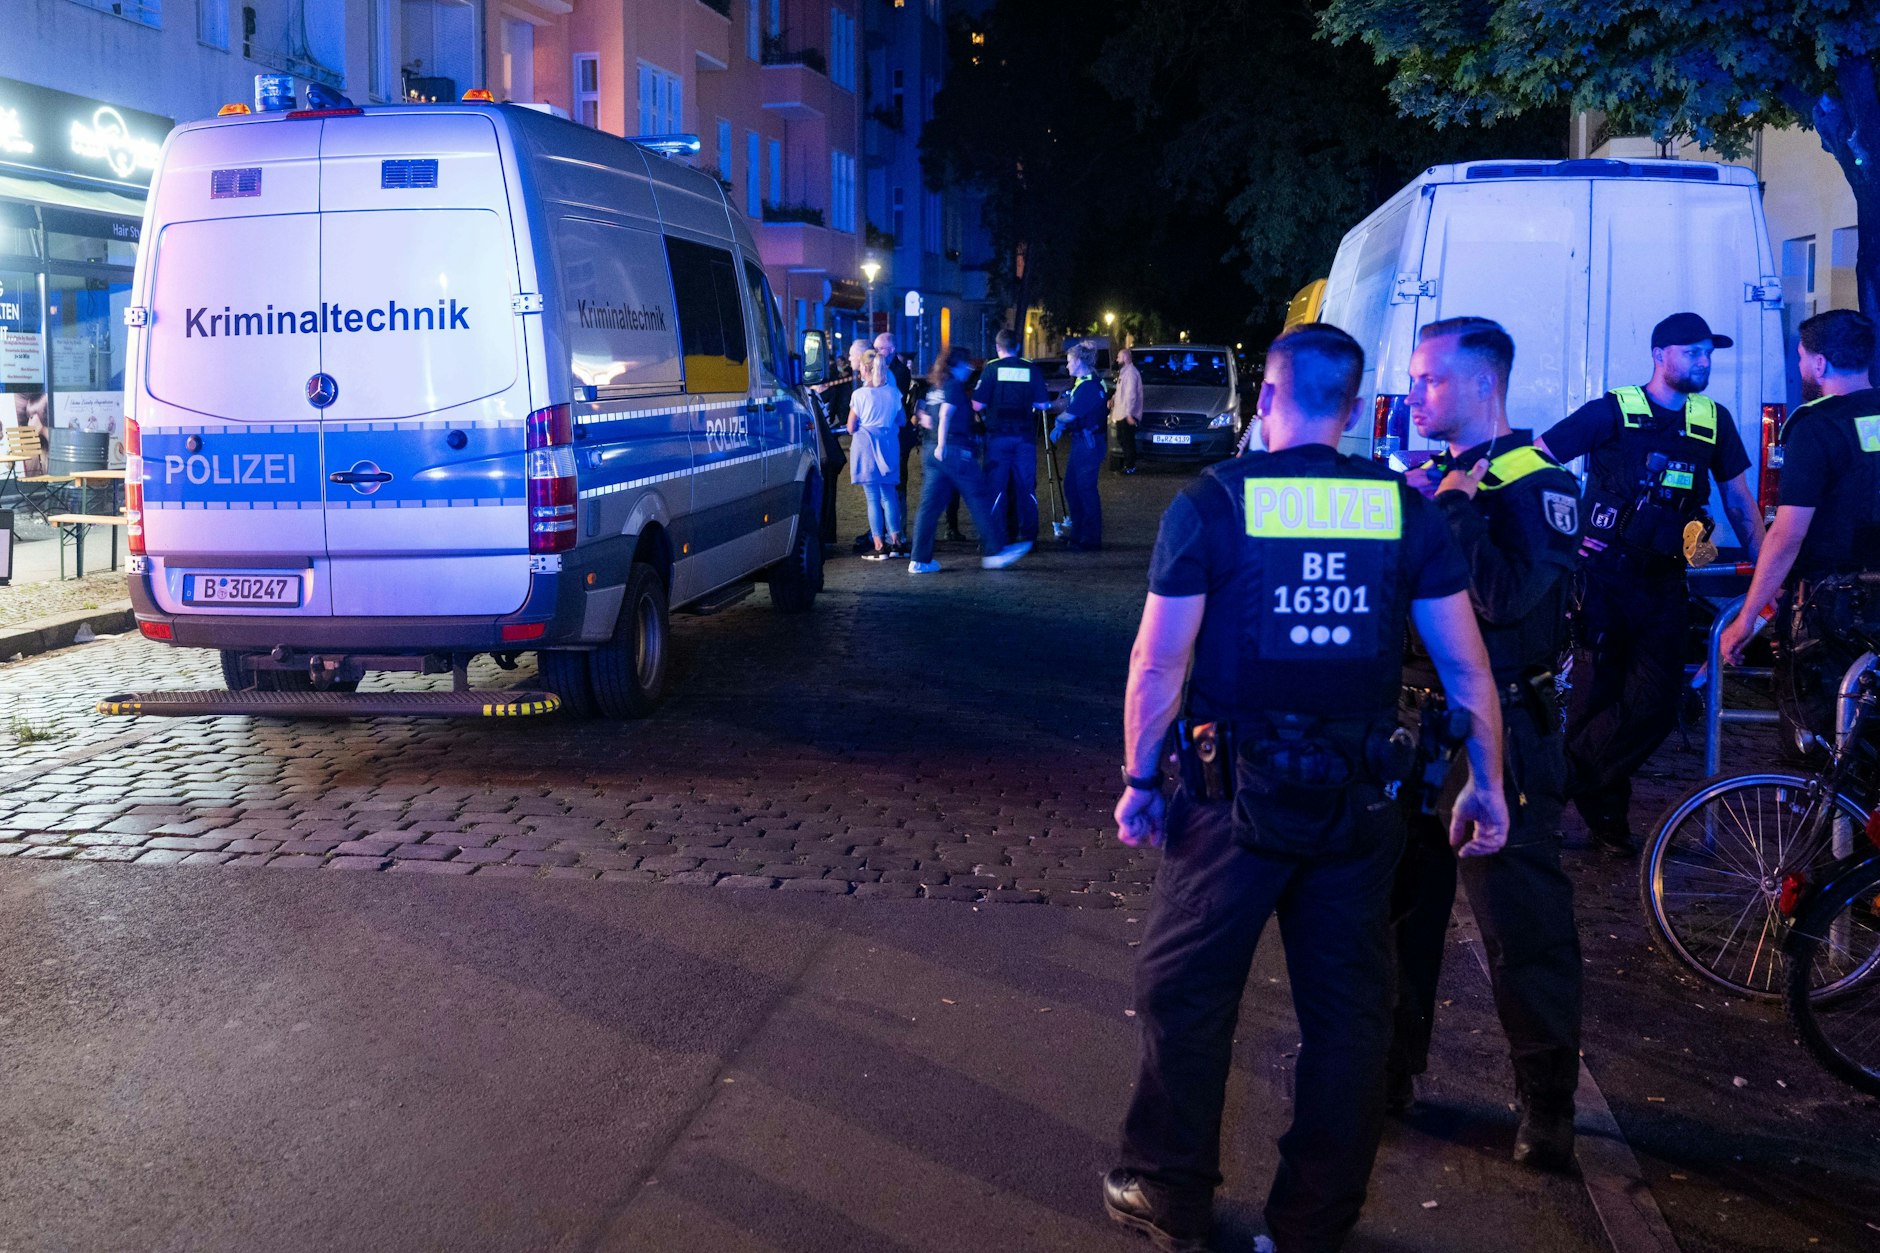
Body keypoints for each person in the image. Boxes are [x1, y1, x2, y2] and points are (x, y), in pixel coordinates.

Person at [1105, 323, 1508, 1253]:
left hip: (1228, 806)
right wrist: (1487, 782)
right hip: (1359, 806)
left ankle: (1168, 1190)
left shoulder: (1213, 503)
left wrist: (1140, 778)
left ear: (1266, 397)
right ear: (1356, 407)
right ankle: (1313, 1222)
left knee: (1185, 993)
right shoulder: (1405, 511)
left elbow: (1158, 661)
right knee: (1349, 1017)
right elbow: (1466, 667)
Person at [1390, 317, 1585, 1171]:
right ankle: (1389, 1071)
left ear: (1482, 383)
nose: (1414, 393)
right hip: (1412, 728)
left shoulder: (1537, 482)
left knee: (1522, 927)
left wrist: (1455, 512)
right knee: (1398, 915)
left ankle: (1547, 1105)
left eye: (1429, 378)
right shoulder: (1424, 476)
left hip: (1499, 727)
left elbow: (1505, 600)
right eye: (1412, 377)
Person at [1537, 312, 1766, 854]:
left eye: (1708, 353)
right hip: (1603, 581)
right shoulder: (1613, 410)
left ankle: (1550, 790)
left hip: (1664, 583)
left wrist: (1767, 576)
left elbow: (1738, 501)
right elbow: (1539, 459)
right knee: (1597, 700)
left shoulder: (1712, 420)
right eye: (1692, 352)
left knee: (1656, 704)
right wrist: (1564, 533)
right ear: (1660, 355)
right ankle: (1607, 820)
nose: (1704, 362)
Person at [1719, 309, 1880, 743]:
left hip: (1832, 608)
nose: (1801, 366)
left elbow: (1789, 533)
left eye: (1802, 357)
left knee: (1823, 740)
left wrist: (1747, 618)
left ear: (1820, 363)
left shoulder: (1815, 425)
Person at [907, 345, 1029, 574]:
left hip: (931, 453)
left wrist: (935, 441)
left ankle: (919, 560)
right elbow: (945, 414)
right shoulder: (953, 386)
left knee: (929, 507)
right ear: (958, 365)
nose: (970, 369)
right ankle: (995, 552)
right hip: (954, 450)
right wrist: (943, 444)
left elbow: (926, 417)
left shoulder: (935, 387)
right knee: (980, 498)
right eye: (967, 365)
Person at [975, 328, 1050, 544]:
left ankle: (994, 538)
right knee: (1026, 489)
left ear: (998, 347)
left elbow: (977, 404)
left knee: (995, 489)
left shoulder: (991, 369)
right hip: (1024, 439)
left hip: (997, 439)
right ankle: (1028, 537)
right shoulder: (1030, 368)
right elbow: (1043, 404)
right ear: (1017, 347)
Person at [848, 349, 908, 559]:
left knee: (873, 498)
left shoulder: (859, 395)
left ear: (865, 369)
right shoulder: (893, 393)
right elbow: (902, 420)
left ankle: (879, 545)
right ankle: (896, 541)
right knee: (889, 496)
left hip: (866, 447)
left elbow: (850, 426)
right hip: (889, 445)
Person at [1050, 341, 1109, 551]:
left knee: (1084, 489)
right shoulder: (1085, 383)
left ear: (1079, 361)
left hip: (1088, 443)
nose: (1067, 365)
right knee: (1073, 487)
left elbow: (1071, 413)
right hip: (1083, 442)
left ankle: (1090, 539)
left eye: (1069, 361)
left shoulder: (1089, 386)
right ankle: (1079, 533)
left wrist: (1057, 422)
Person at [1111, 345, 1144, 474]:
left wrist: (1129, 414)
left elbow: (1131, 395)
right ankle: (1128, 464)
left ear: (1125, 358)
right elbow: (1121, 390)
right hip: (1123, 412)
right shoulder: (1125, 372)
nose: (1117, 359)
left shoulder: (1130, 373)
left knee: (1127, 440)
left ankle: (1130, 466)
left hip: (1126, 413)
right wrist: (1113, 399)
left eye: (1119, 357)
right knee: (1123, 438)